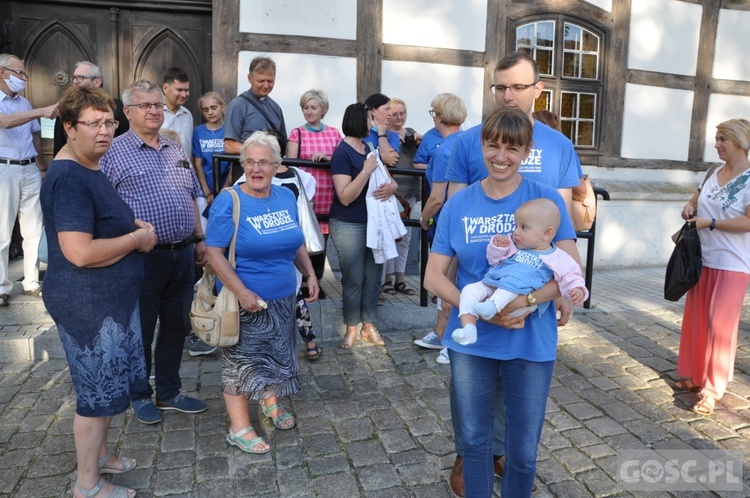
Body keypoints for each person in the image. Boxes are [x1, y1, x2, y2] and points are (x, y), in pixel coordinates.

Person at [444, 51, 584, 496]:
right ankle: (473, 471)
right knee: (475, 437)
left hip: (531, 327)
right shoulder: (463, 172)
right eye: (500, 86)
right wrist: (470, 308)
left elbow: (563, 249)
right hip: (476, 325)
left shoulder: (552, 171)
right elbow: (439, 262)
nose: (501, 155)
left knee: (523, 449)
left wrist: (541, 297)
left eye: (517, 86)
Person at [41, 85, 157, 498]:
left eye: (110, 122)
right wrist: (136, 240)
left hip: (110, 301)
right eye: (94, 123)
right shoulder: (70, 177)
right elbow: (80, 252)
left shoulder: (90, 166)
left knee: (111, 388)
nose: (106, 130)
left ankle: (102, 456)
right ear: (70, 128)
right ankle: (87, 484)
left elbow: (99, 228)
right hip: (87, 305)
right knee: (95, 395)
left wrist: (130, 227)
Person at [100, 79, 208, 425]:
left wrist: (200, 238)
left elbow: (192, 195)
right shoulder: (113, 153)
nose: (153, 111)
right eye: (145, 105)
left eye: (158, 105)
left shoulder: (175, 148)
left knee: (176, 326)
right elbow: (104, 208)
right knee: (141, 330)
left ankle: (169, 391)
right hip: (142, 258)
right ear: (127, 112)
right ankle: (139, 393)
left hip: (182, 254)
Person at [205, 131, 318, 454]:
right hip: (246, 300)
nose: (257, 169)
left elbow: (294, 239)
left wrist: (309, 273)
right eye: (250, 162)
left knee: (278, 354)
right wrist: (240, 291)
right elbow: (214, 251)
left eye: (264, 162)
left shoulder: (285, 196)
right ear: (243, 165)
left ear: (276, 166)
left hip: (282, 296)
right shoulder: (231, 199)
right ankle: (239, 427)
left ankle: (270, 403)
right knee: (242, 363)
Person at [672, 118, 750, 416]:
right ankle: (693, 375)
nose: (716, 145)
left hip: (734, 263)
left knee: (720, 325)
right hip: (702, 257)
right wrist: (690, 207)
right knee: (697, 319)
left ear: (740, 142)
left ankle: (713, 389)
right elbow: (698, 199)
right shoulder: (713, 171)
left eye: (722, 140)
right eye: (716, 139)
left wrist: (712, 222)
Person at [451, 198, 587, 345]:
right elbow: (493, 261)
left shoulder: (557, 257)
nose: (516, 232)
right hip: (494, 283)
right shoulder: (513, 246)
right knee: (469, 290)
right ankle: (469, 329)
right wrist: (498, 248)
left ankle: (492, 306)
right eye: (516, 226)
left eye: (523, 227)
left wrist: (577, 289)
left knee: (512, 281)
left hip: (519, 297)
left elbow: (572, 276)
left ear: (546, 234)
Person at [330, 103, 398, 349]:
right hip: (349, 224)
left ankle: (369, 326)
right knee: (353, 278)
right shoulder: (342, 153)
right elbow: (345, 196)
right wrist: (366, 172)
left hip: (374, 223)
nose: (372, 122)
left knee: (373, 278)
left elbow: (390, 180)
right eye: (369, 118)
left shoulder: (369, 147)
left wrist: (393, 186)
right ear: (359, 120)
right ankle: (351, 328)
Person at [0, 54, 57, 307]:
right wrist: (42, 110)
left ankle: (31, 281)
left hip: (30, 168)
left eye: (24, 74)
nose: (24, 78)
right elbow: (4, 122)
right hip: (5, 168)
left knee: (33, 229)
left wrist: (41, 166)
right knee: (2, 231)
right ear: (3, 72)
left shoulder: (24, 102)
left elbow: (35, 135)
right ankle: (1, 286)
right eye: (20, 73)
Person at [414, 93, 467, 362]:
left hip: (449, 225)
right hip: (466, 223)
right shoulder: (468, 142)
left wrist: (423, 219)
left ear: (439, 116)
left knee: (447, 281)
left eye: (433, 112)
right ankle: (441, 332)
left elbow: (437, 197)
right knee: (453, 280)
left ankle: (452, 339)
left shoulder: (446, 149)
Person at [286, 89, 343, 298]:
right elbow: (291, 164)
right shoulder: (297, 133)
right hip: (307, 196)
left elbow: (342, 159)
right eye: (305, 108)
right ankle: (302, 283)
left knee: (321, 239)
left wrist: (327, 157)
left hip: (328, 194)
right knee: (303, 238)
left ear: (323, 110)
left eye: (313, 107)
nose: (308, 111)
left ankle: (316, 282)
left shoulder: (335, 133)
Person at [380, 97, 421, 297]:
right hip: (392, 192)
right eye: (394, 113)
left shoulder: (413, 133)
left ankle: (401, 279)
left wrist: (420, 140)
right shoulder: (383, 135)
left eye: (402, 113)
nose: (398, 117)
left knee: (405, 238)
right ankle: (386, 279)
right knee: (390, 238)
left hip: (410, 191)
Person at [53, 60, 129, 155]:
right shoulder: (67, 107)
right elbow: (59, 143)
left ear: (97, 81)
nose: (75, 81)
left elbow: (126, 139)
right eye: (74, 77)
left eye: (80, 77)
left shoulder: (117, 107)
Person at [224, 56, 286, 155]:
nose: (266, 86)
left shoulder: (276, 108)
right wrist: (259, 152)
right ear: (249, 78)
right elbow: (229, 145)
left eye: (270, 81)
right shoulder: (237, 105)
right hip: (246, 166)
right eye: (261, 81)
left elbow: (283, 144)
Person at [193, 92, 230, 202]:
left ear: (222, 107)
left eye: (214, 108)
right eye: (206, 110)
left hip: (228, 188)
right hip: (206, 189)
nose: (210, 112)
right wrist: (206, 191)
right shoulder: (198, 131)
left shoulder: (229, 130)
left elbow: (233, 165)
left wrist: (225, 190)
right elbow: (198, 164)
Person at [161, 67, 193, 156]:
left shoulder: (187, 114)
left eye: (186, 90)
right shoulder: (154, 113)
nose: (184, 94)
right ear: (165, 88)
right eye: (179, 90)